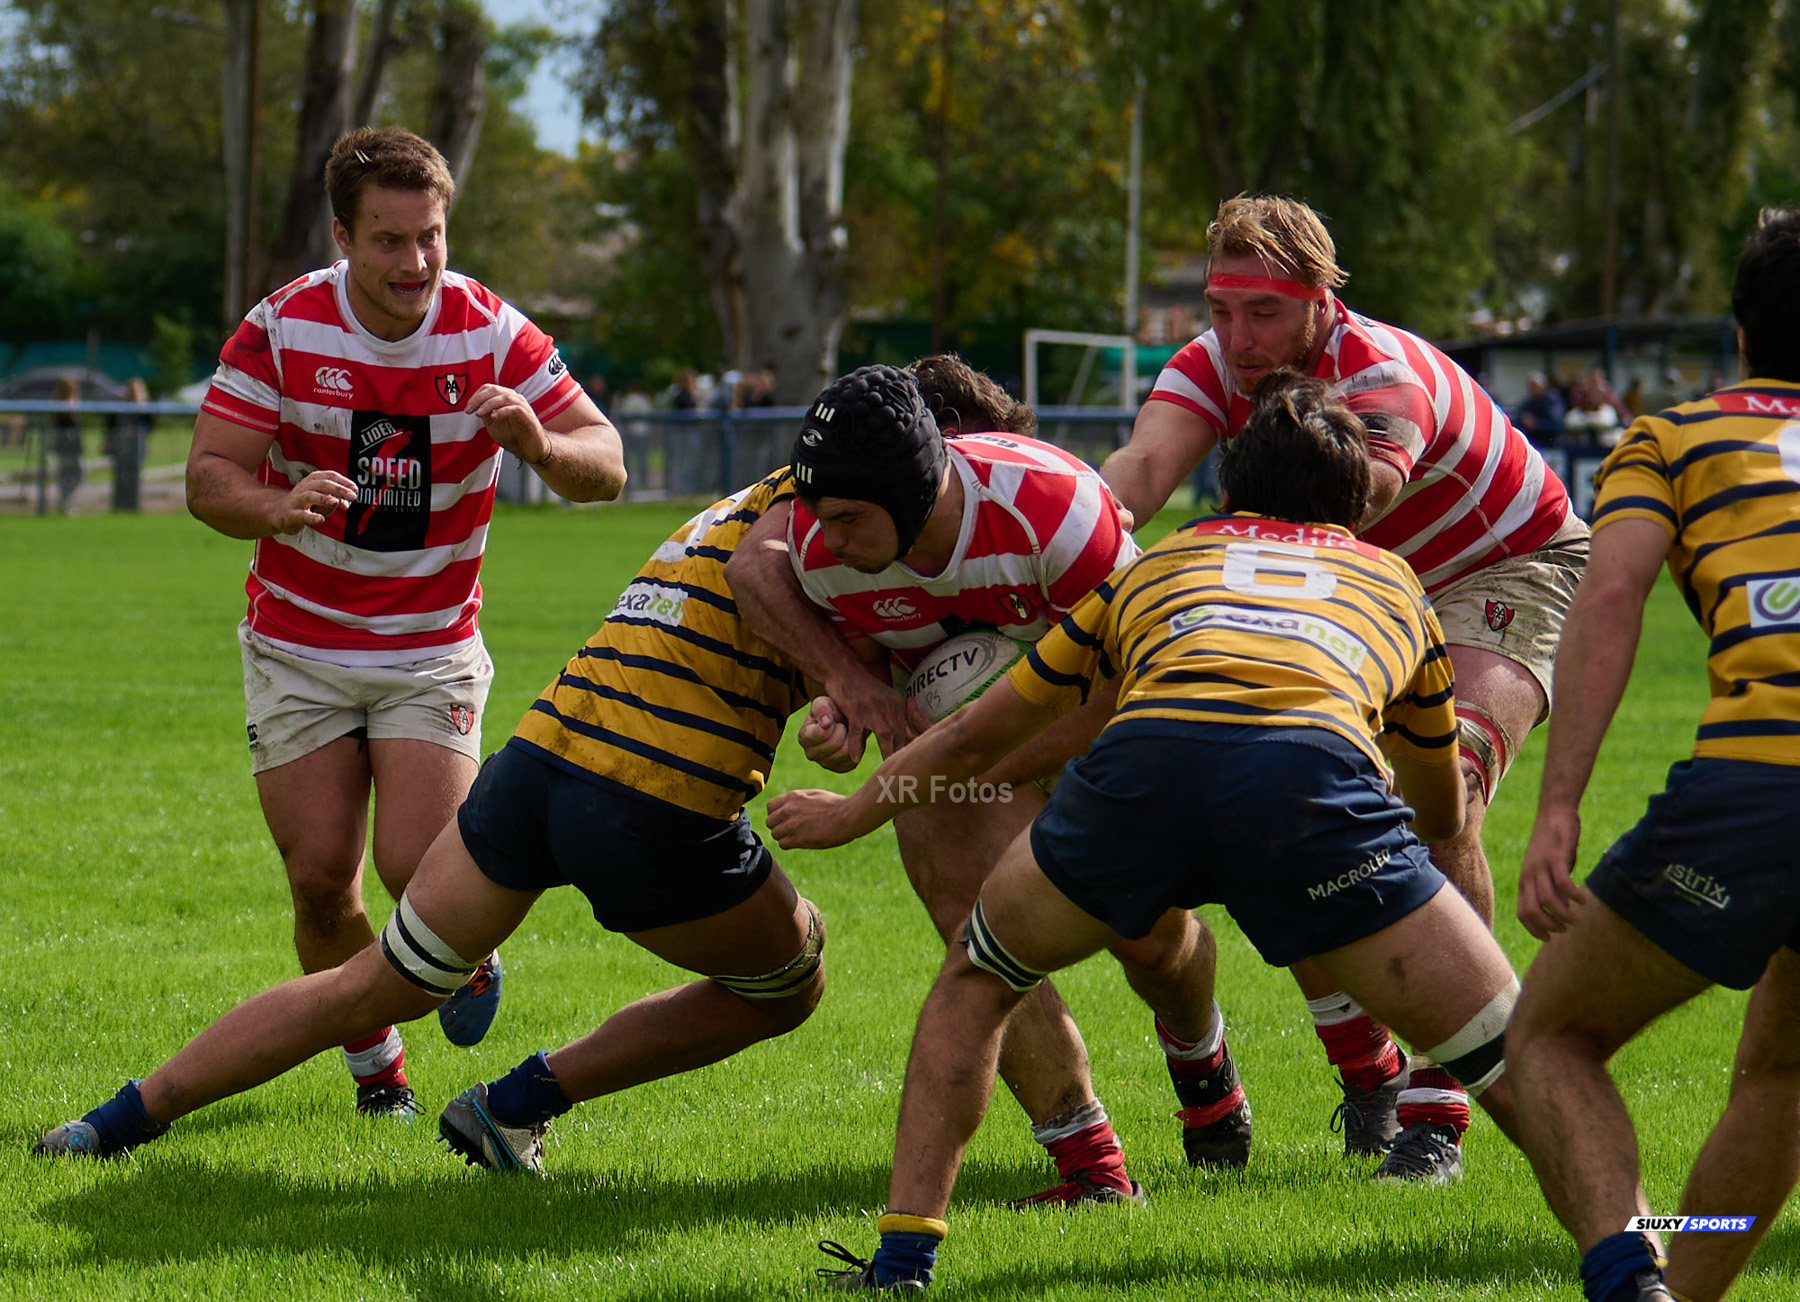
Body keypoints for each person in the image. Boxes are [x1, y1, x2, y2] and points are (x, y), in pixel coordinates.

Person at [768, 373, 1524, 1290]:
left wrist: (863, 808)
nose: (825, 533)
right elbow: (1440, 810)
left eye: (844, 516)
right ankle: (1661, 1226)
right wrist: (1418, 848)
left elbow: (999, 721)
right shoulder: (1394, 583)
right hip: (1295, 784)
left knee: (991, 975)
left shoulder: (1119, 545)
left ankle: (903, 1258)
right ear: (1354, 506)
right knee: (1519, 1056)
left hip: (1131, 766)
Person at [35, 463, 826, 1170]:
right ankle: (514, 1104)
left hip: (539, 761)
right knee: (791, 980)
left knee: (368, 985)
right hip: (648, 797)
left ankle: (113, 1123)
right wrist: (858, 739)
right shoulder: (841, 526)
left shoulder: (755, 499)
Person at [1101, 194, 1587, 1178]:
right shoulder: (1209, 363)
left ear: (1323, 300)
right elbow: (1139, 473)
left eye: (1265, 313)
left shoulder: (1380, 374)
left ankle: (1436, 1115)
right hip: (1353, 582)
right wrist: (1059, 532)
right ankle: (1365, 1068)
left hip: (1503, 569)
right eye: (1221, 309)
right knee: (1282, 793)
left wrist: (1207, 565)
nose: (1237, 338)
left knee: (1438, 794)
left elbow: (1357, 496)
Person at [184, 126, 626, 1119]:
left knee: (416, 871)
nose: (415, 263)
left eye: (429, 236)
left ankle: (468, 953)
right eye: (387, 241)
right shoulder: (284, 327)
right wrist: (276, 506)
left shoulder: (490, 330)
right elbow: (209, 477)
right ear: (342, 235)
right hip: (298, 644)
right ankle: (376, 1068)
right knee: (319, 884)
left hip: (429, 648)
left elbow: (610, 464)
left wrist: (540, 446)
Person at [726, 360, 1181, 1208]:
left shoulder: (1056, 511)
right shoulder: (833, 552)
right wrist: (847, 709)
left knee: (1150, 941)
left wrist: (973, 753)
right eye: (818, 515)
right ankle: (1092, 1167)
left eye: (849, 518)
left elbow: (1137, 676)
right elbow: (871, 656)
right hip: (968, 752)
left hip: (1109, 722)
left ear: (914, 493)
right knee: (974, 920)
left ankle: (1203, 1071)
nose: (826, 536)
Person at [1507, 208, 1800, 1302]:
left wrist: (1558, 807)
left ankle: (1632, 1273)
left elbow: (1612, 589)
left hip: (1759, 789)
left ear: (1738, 336)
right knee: (1779, 1073)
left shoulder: (1671, 439)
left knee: (1553, 1034)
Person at [105, 377, 152, 512]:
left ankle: (133, 505)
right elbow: (110, 427)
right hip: (121, 448)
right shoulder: (119, 408)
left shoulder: (143, 410)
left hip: (136, 449)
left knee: (134, 478)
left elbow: (148, 427)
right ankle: (118, 505)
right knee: (119, 477)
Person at [51, 376, 83, 513]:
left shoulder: (73, 404)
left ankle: (64, 503)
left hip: (72, 447)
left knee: (72, 475)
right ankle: (64, 503)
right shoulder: (63, 406)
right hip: (65, 447)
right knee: (72, 474)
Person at [1512, 372, 1567, 441]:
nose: (1533, 389)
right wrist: (1523, 418)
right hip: (1532, 440)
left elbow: (1557, 418)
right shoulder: (1527, 401)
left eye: (1535, 386)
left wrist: (1537, 423)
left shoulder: (1552, 399)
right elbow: (1518, 414)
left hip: (1551, 441)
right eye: (1531, 386)